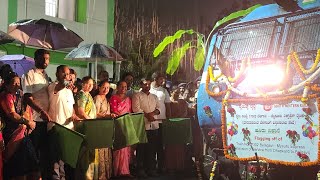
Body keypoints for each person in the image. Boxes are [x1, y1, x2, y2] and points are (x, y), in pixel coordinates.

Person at [0, 72, 39, 180]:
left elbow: (27, 111)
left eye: (18, 83)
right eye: (14, 83)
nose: (17, 85)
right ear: (6, 85)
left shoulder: (20, 95)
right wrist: (27, 122)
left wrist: (30, 123)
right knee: (18, 168)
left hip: (23, 134)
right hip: (11, 134)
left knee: (32, 166)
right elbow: (12, 114)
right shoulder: (5, 96)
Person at [21, 48, 51, 179]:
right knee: (32, 156)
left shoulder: (46, 76)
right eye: (43, 58)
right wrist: (41, 111)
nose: (45, 61)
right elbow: (27, 98)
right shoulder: (29, 74)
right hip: (35, 121)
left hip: (47, 121)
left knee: (44, 155)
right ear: (36, 59)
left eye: (47, 58)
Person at [47, 65, 81, 180]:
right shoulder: (52, 87)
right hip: (56, 127)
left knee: (65, 160)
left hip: (69, 129)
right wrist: (69, 83)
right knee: (56, 160)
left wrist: (74, 116)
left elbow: (71, 108)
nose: (66, 76)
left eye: (67, 74)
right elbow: (59, 88)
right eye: (63, 73)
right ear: (57, 74)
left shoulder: (69, 91)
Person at [132, 78, 161, 178]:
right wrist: (147, 115)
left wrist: (152, 114)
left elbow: (159, 108)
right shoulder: (137, 96)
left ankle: (151, 169)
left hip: (154, 126)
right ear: (141, 85)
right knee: (141, 149)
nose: (147, 86)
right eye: (145, 84)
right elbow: (136, 109)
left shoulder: (154, 96)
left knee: (152, 149)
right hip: (142, 126)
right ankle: (140, 170)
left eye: (149, 84)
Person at [94, 80, 117, 179]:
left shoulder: (107, 99)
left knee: (106, 150)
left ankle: (106, 175)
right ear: (99, 87)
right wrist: (108, 115)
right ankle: (100, 176)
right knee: (100, 150)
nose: (106, 89)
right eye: (104, 87)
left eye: (107, 88)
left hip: (106, 128)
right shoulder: (97, 98)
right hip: (98, 127)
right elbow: (95, 113)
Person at [75, 76, 98, 180]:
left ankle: (91, 176)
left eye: (92, 84)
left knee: (91, 152)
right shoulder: (81, 94)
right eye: (88, 84)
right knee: (85, 153)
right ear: (83, 84)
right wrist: (90, 121)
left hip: (91, 125)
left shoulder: (88, 95)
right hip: (85, 125)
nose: (90, 86)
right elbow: (81, 111)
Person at [110, 81, 133, 178]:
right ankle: (117, 171)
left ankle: (125, 171)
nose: (124, 88)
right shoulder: (113, 98)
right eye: (121, 86)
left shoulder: (128, 99)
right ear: (117, 87)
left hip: (127, 124)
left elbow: (130, 112)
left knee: (126, 148)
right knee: (119, 148)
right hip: (117, 124)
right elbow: (114, 111)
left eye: (125, 86)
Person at [150, 72, 171, 173]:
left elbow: (168, 105)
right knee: (151, 144)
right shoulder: (147, 89)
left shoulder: (164, 91)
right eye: (160, 79)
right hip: (150, 121)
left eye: (163, 79)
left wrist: (168, 118)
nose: (162, 81)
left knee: (160, 144)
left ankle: (161, 166)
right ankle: (151, 166)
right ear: (155, 79)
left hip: (162, 120)